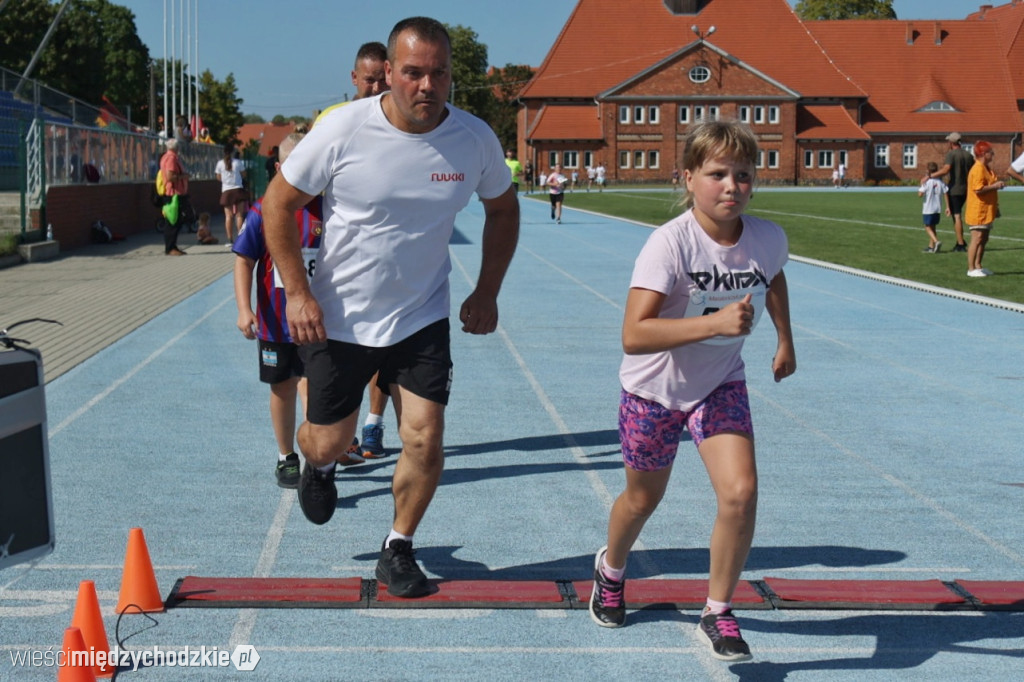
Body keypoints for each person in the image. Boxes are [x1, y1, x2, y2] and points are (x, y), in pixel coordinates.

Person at [261, 16, 520, 598]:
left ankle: (398, 546)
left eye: (439, 73)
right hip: (339, 315)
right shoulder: (342, 129)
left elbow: (504, 210)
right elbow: (277, 205)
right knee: (328, 438)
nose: (427, 86)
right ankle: (320, 466)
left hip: (421, 316)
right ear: (389, 74)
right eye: (413, 73)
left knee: (425, 437)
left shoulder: (474, 138)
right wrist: (297, 292)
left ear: (453, 75)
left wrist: (487, 290)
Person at [589, 120, 795, 665]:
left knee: (740, 492)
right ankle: (611, 569)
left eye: (744, 175)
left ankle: (719, 609)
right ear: (688, 177)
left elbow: (772, 278)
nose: (732, 186)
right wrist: (715, 324)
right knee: (642, 499)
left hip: (720, 383)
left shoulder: (768, 237)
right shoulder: (669, 243)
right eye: (717, 174)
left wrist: (784, 339)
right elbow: (635, 334)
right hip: (653, 391)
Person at [311, 40, 393, 459]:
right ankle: (338, 435)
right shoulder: (332, 120)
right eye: (369, 79)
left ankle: (374, 426)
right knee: (346, 353)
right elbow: (302, 185)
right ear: (353, 79)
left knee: (385, 348)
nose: (377, 86)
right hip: (342, 260)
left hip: (390, 262)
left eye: (383, 78)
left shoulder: (404, 122)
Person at [233, 133, 325, 488]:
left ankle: (318, 456)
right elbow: (244, 261)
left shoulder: (326, 209)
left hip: (318, 321)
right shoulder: (262, 210)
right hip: (275, 322)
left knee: (316, 386)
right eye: (294, 166)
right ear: (279, 168)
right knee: (283, 388)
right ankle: (287, 456)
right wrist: (244, 309)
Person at [964, 140, 1005, 277]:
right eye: (990, 152)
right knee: (977, 238)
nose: (993, 155)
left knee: (984, 239)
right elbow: (978, 189)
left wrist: (996, 207)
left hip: (987, 210)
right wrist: (996, 186)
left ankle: (978, 265)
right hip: (978, 210)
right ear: (983, 153)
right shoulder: (978, 169)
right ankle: (971, 269)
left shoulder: (986, 168)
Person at [928, 133, 973, 252]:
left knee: (957, 216)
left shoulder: (951, 154)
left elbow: (946, 169)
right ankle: (961, 241)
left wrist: (930, 176)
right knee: (957, 215)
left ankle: (960, 243)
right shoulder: (968, 155)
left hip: (955, 189)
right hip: (966, 189)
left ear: (951, 143)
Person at [158, 138, 194, 256]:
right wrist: (184, 176)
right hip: (174, 194)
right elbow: (170, 176)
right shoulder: (171, 159)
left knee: (175, 220)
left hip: (175, 193)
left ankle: (172, 246)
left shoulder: (166, 157)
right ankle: (170, 248)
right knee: (173, 221)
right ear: (176, 148)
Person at [216, 144, 248, 245]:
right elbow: (244, 175)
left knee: (228, 216)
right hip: (238, 190)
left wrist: (226, 180)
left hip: (226, 191)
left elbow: (218, 177)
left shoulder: (220, 163)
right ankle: (241, 238)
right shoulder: (238, 162)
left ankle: (230, 239)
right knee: (239, 216)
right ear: (233, 152)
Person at [918, 162, 949, 253]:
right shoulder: (940, 182)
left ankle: (936, 241)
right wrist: (947, 207)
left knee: (927, 227)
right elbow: (945, 193)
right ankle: (931, 247)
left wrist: (921, 184)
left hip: (928, 208)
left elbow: (920, 194)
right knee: (933, 227)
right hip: (937, 208)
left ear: (928, 170)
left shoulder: (926, 182)